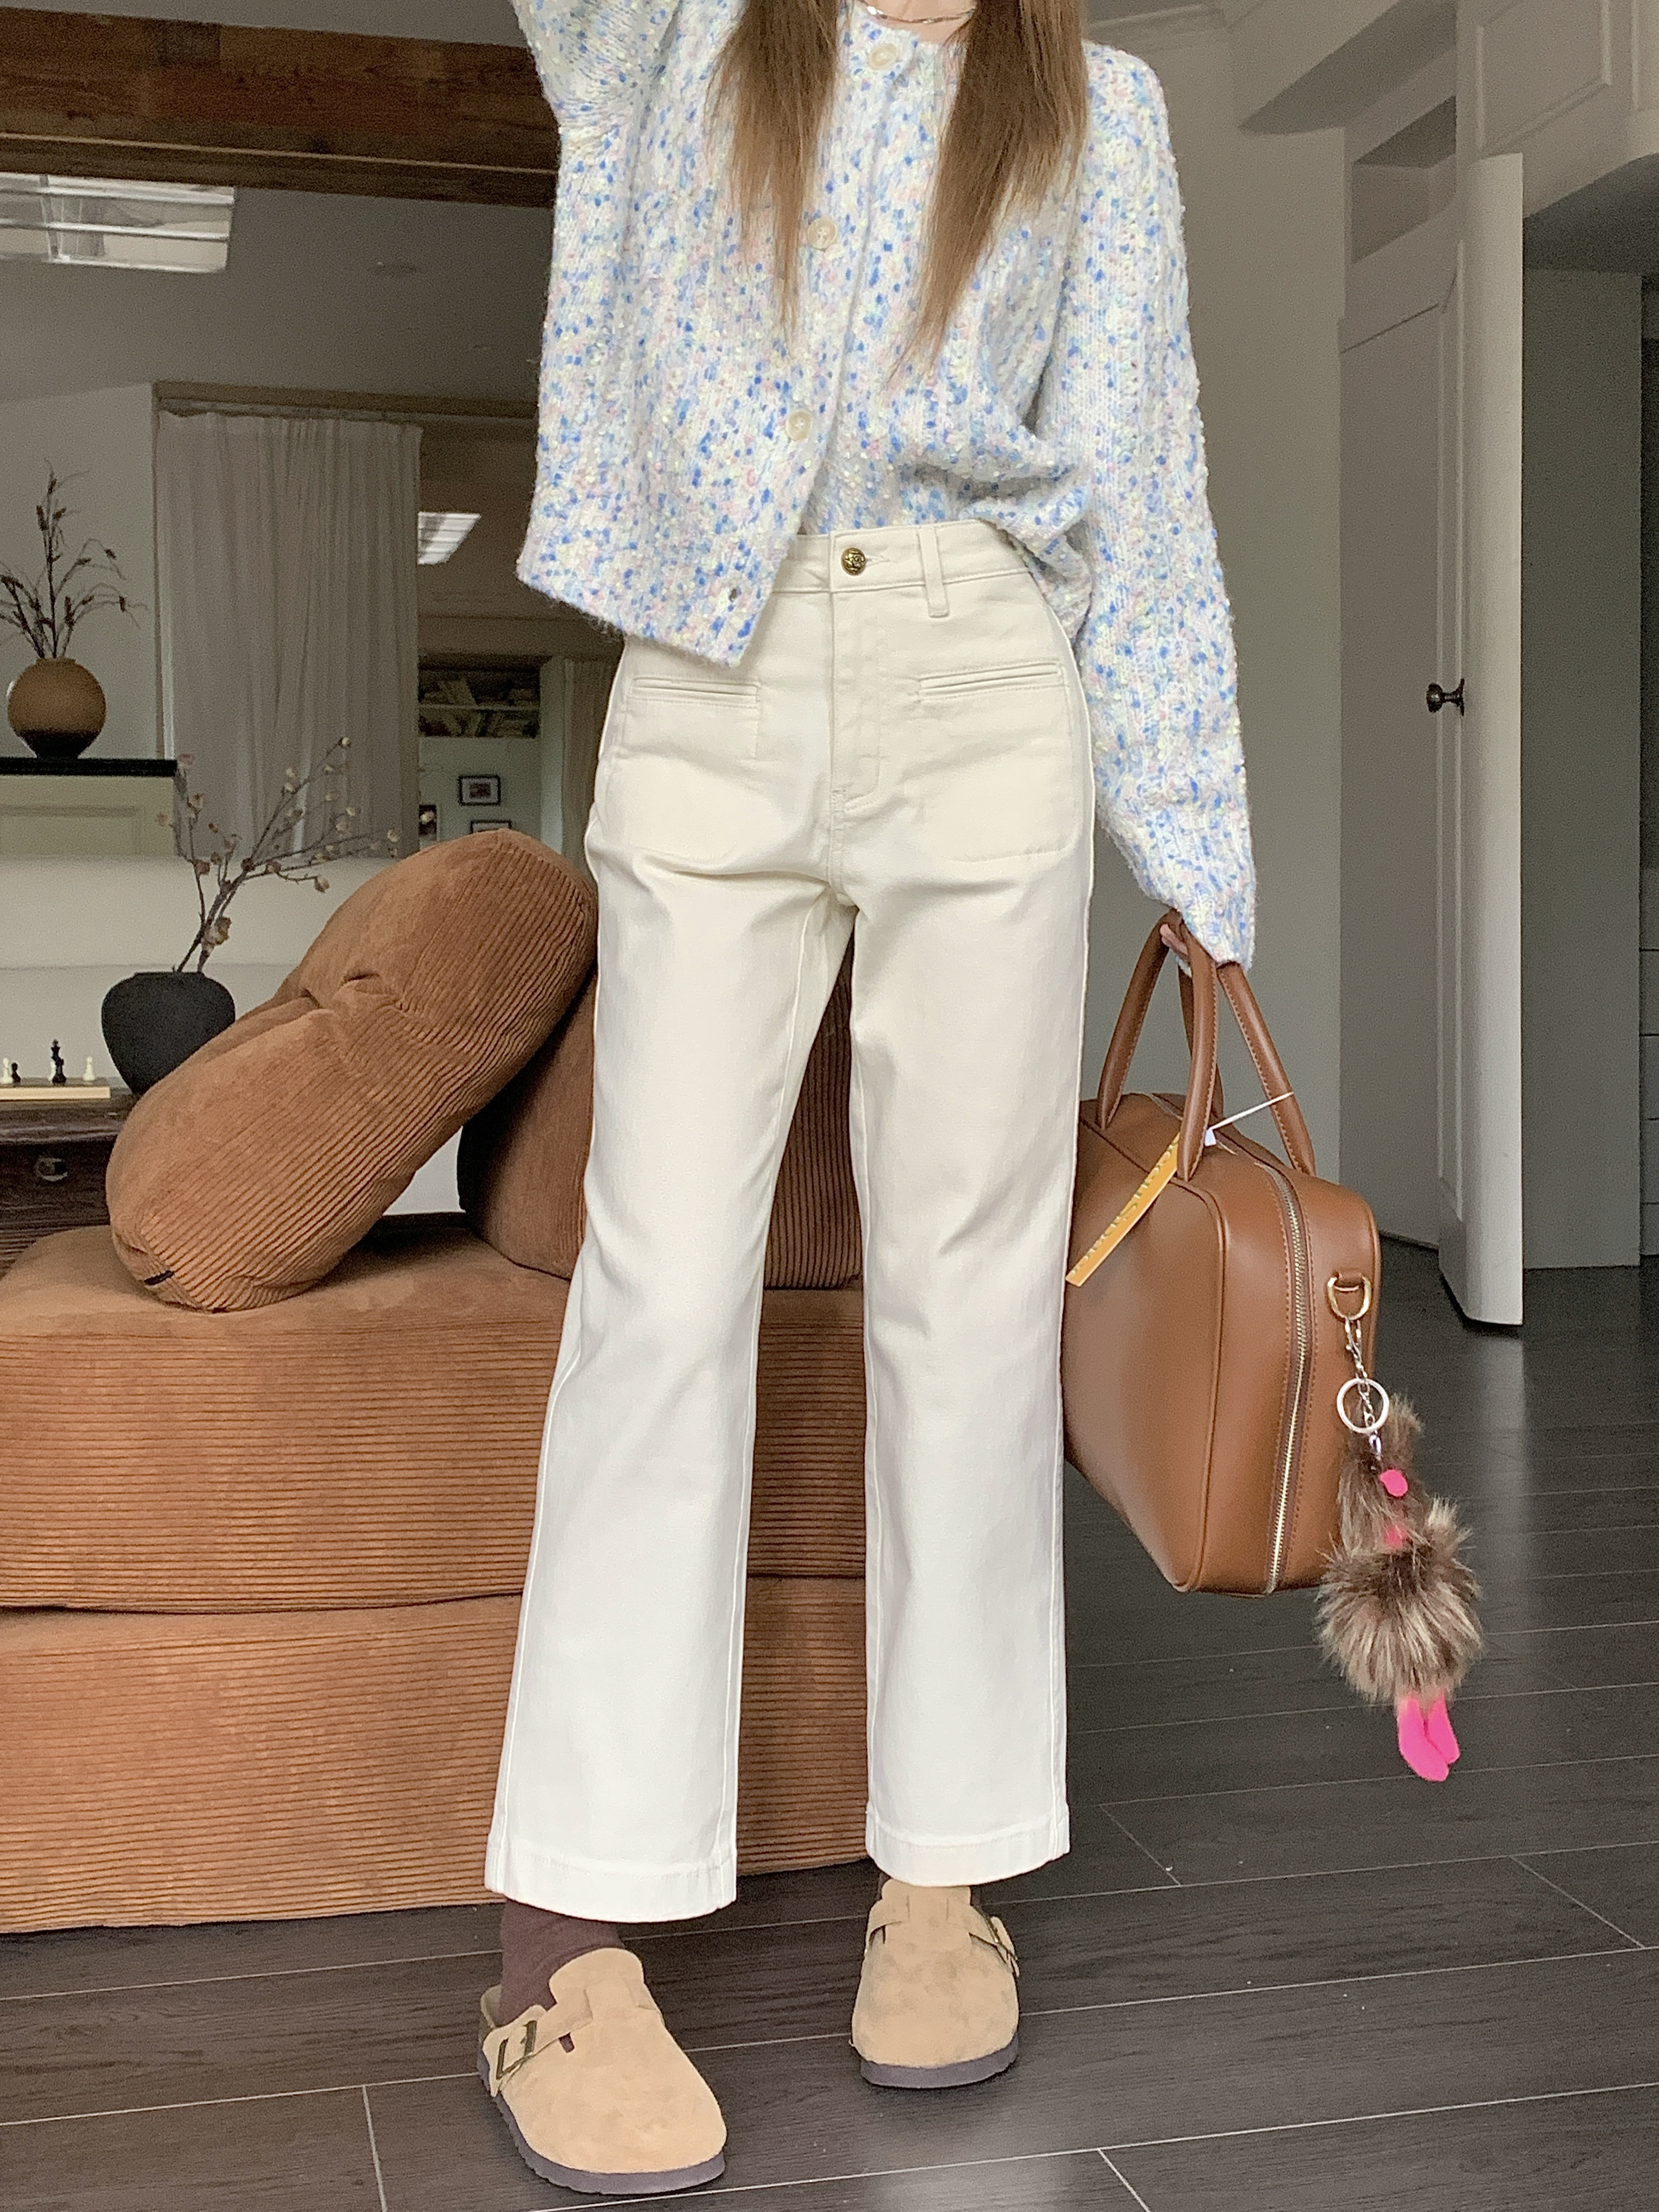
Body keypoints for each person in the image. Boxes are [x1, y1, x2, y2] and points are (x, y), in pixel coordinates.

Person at [478, 0, 1256, 2194]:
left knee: (970, 1302)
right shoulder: (674, 36)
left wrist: (1198, 855)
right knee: (658, 1293)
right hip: (708, 688)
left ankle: (945, 1871)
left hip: (982, 679)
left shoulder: (1095, 109)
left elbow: (1139, 472)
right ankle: (567, 1933)